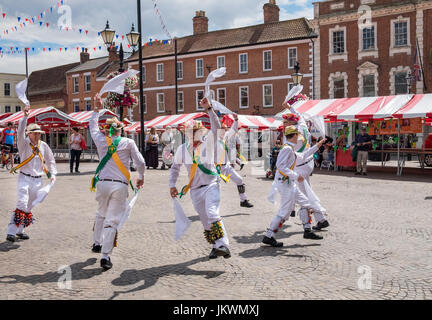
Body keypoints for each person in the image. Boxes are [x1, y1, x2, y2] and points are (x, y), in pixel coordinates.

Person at [169, 97, 231, 260]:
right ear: (187, 134)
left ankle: (224, 244)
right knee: (205, 221)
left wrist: (209, 109)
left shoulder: (208, 143)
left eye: (197, 132)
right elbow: (174, 168)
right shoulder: (182, 150)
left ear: (201, 132)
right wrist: (172, 184)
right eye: (191, 132)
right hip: (195, 190)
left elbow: (217, 128)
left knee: (212, 213)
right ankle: (215, 246)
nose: (194, 134)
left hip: (211, 185)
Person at [91, 94, 145, 270]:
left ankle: (96, 242)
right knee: (112, 220)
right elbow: (140, 162)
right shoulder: (128, 142)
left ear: (107, 130)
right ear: (120, 130)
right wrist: (141, 176)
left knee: (101, 212)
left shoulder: (100, 140)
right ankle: (105, 256)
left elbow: (92, 127)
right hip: (119, 185)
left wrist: (96, 109)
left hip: (102, 183)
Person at [262, 126, 327, 247]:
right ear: (295, 135)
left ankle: (307, 230)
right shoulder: (287, 149)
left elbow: (303, 155)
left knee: (306, 202)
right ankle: (269, 235)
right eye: (297, 135)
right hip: (285, 184)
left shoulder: (290, 149)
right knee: (285, 212)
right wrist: (296, 175)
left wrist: (317, 145)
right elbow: (280, 165)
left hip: (289, 183)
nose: (299, 138)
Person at [6, 106, 56, 243]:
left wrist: (53, 174)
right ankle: (11, 232)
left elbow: (50, 160)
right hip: (24, 177)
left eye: (39, 133)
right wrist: (25, 117)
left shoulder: (43, 145)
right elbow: (20, 131)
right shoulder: (23, 143)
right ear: (29, 134)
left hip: (38, 180)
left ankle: (20, 230)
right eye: (35, 133)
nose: (38, 135)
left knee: (29, 205)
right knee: (21, 203)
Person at [280, 103, 330, 230]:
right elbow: (299, 115)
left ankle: (307, 225)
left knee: (303, 196)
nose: (283, 124)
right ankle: (320, 219)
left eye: (285, 122)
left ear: (291, 123)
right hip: (307, 163)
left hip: (300, 166)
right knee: (307, 192)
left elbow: (289, 154)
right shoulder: (302, 125)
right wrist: (289, 106)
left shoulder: (291, 136)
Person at [218, 114, 254, 208]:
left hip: (225, 166)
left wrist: (236, 119)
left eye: (224, 129)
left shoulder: (225, 137)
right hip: (215, 169)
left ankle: (243, 200)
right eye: (222, 129)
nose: (224, 131)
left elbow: (233, 130)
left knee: (239, 180)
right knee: (213, 188)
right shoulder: (210, 139)